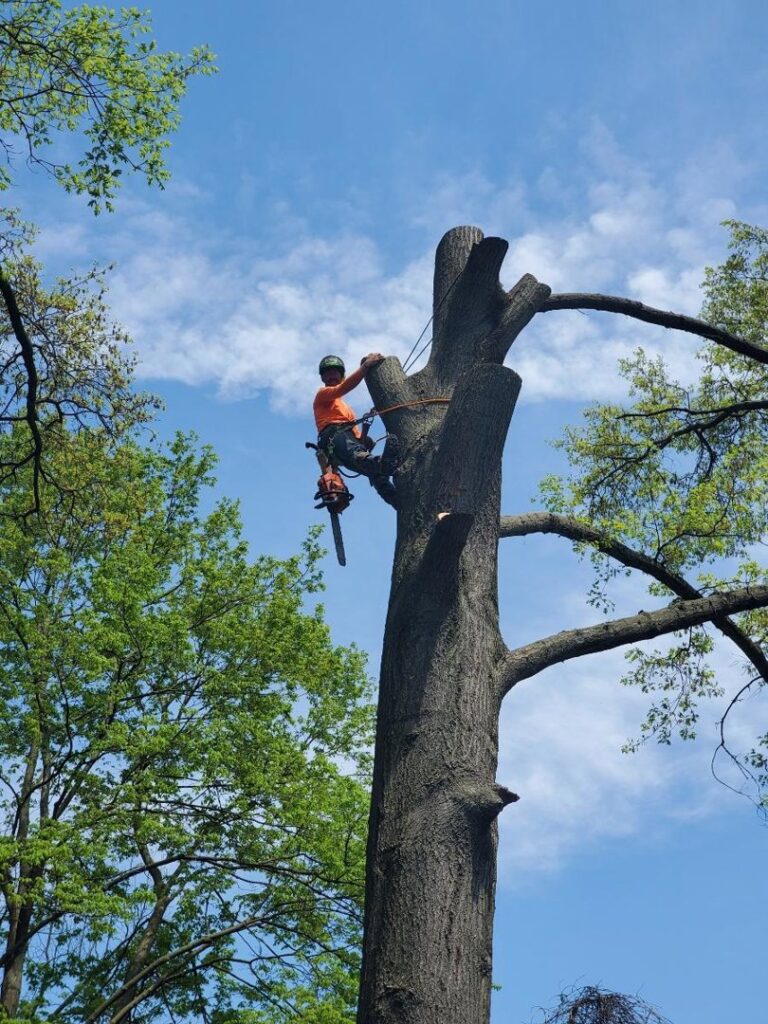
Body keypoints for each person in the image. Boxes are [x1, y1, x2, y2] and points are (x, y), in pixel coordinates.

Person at [313, 353, 399, 507]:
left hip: (345, 442)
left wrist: (364, 438)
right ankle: (382, 463)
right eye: (328, 373)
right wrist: (365, 368)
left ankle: (395, 499)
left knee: (375, 472)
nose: (332, 375)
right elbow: (342, 389)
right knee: (359, 456)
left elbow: (357, 440)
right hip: (333, 436)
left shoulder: (347, 409)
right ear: (323, 378)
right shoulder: (323, 394)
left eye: (335, 372)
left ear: (342, 375)